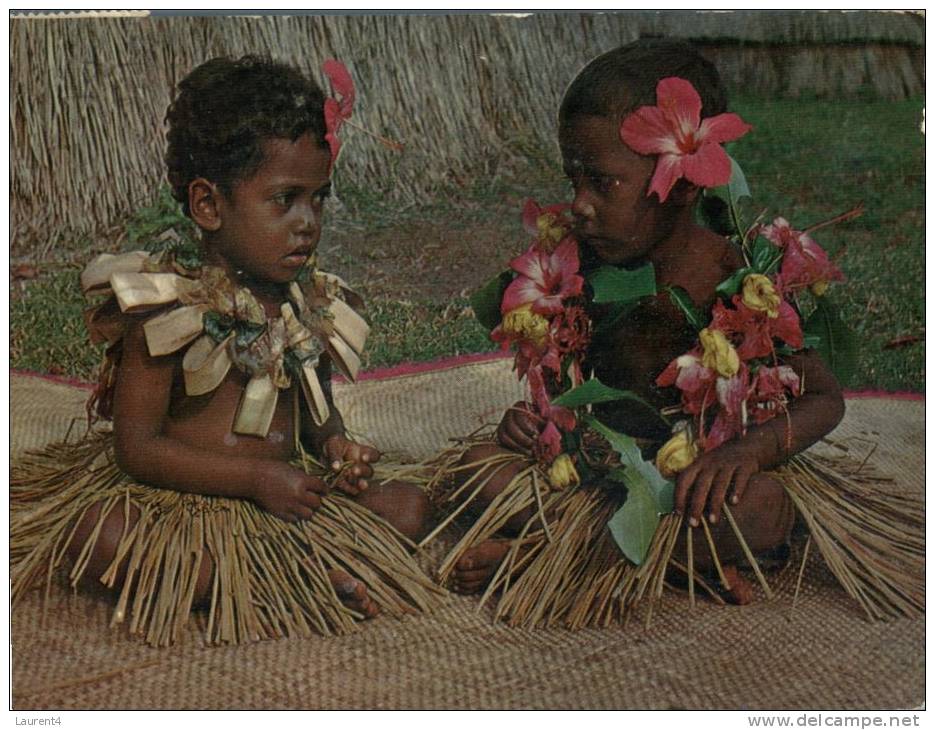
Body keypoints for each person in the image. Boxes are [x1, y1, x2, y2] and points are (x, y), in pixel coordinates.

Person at [428, 39, 922, 625]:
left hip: (695, 483)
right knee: (472, 468)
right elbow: (568, 381)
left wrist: (747, 452)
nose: (579, 205)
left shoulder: (732, 280)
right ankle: (642, 557)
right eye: (573, 179)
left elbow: (825, 399)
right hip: (601, 471)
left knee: (763, 511)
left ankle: (548, 552)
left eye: (602, 183)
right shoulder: (583, 265)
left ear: (684, 183)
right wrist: (535, 424)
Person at [11, 55, 439, 646]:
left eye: (318, 199)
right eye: (285, 199)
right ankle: (280, 582)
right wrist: (253, 477)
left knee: (410, 507)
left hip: (286, 500)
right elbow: (136, 450)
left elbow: (320, 420)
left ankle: (289, 572)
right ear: (209, 205)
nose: (307, 223)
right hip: (183, 503)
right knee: (101, 535)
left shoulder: (307, 308)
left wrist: (337, 447)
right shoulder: (166, 314)